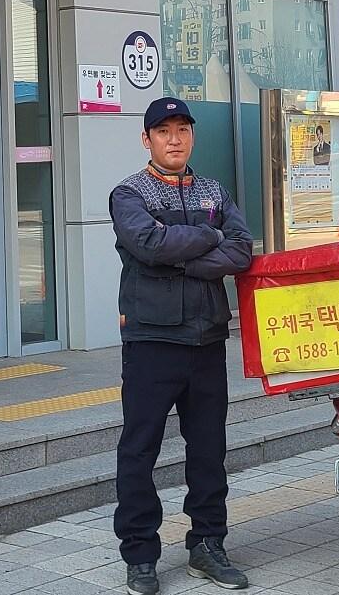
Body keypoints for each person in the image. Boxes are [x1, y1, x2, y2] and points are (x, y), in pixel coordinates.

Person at [110, 97, 253, 595]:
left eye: (182, 129)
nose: (175, 138)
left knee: (209, 450)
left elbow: (241, 250)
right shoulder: (128, 193)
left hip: (208, 338)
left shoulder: (213, 189)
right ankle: (140, 555)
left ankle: (208, 545)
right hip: (152, 340)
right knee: (139, 449)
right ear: (146, 139)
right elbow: (147, 244)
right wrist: (205, 239)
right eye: (164, 130)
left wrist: (182, 255)